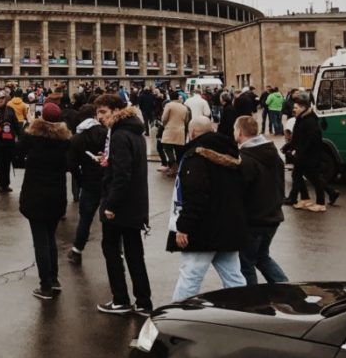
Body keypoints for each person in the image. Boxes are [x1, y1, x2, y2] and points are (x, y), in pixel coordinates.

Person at [167, 119, 248, 301]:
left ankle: (178, 316)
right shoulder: (231, 153)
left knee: (190, 276)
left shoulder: (195, 158)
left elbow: (195, 195)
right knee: (234, 277)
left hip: (203, 229)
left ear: (193, 132)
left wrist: (183, 226)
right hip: (228, 226)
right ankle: (244, 311)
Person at [95, 94, 153, 316]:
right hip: (136, 203)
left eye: (103, 112)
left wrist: (110, 204)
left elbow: (122, 175)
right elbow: (126, 166)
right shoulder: (134, 131)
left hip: (120, 205)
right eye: (98, 112)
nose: (99, 117)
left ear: (116, 110)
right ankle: (144, 302)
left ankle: (120, 299)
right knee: (134, 253)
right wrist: (107, 161)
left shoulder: (119, 135)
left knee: (111, 250)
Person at [17, 104, 71, 300]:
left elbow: (17, 156)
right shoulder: (65, 140)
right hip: (56, 196)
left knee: (40, 241)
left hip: (35, 195)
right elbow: (69, 165)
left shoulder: (32, 137)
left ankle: (45, 285)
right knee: (50, 239)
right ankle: (54, 280)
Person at [235, 115, 289, 285]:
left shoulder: (246, 159)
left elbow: (241, 192)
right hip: (273, 215)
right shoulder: (273, 153)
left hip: (254, 219)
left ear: (240, 132)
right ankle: (285, 288)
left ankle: (252, 301)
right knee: (261, 257)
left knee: (246, 264)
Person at [67, 105, 108, 265]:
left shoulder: (78, 138)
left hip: (89, 181)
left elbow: (71, 164)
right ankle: (117, 253)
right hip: (106, 179)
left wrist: (80, 179)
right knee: (110, 218)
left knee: (85, 218)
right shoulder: (107, 134)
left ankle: (77, 250)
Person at [284, 92, 338, 211]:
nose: (294, 110)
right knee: (301, 175)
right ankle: (305, 199)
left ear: (303, 108)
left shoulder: (310, 121)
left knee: (313, 178)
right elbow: (297, 137)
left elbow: (311, 140)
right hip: (302, 154)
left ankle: (320, 203)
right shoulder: (302, 118)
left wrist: (299, 152)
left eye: (296, 108)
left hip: (308, 155)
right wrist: (290, 147)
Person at [159, 89, 190, 175]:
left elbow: (164, 118)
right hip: (180, 130)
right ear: (178, 98)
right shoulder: (184, 107)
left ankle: (173, 166)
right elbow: (186, 120)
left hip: (170, 129)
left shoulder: (169, 105)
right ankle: (179, 167)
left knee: (167, 148)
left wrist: (165, 125)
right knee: (178, 150)